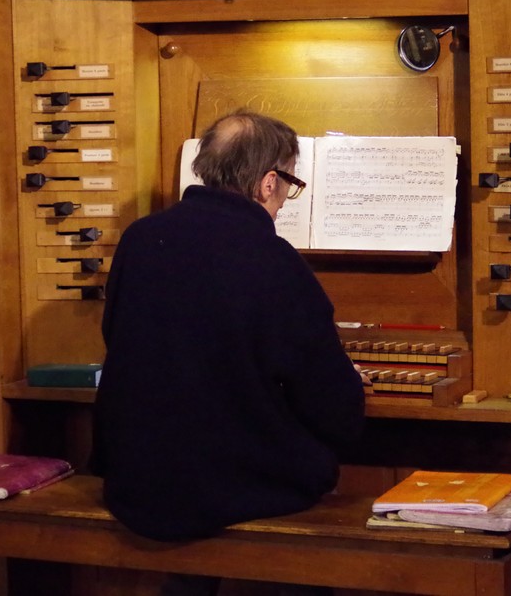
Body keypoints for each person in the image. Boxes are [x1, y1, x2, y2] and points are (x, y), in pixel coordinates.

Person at [91, 110, 367, 595]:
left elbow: (118, 338)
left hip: (140, 478)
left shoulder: (139, 240)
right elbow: (331, 404)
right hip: (233, 485)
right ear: (267, 183)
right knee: (311, 478)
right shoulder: (272, 258)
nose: (283, 199)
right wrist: (348, 392)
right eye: (289, 185)